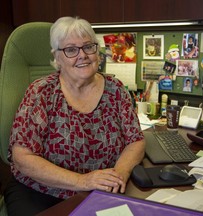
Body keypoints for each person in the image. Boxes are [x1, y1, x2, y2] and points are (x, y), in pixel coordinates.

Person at [4, 16, 145, 215]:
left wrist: (120, 173)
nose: (83, 55)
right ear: (57, 57)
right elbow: (22, 158)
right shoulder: (41, 93)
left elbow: (136, 140)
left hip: (103, 189)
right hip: (42, 192)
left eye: (88, 47)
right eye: (71, 50)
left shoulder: (116, 89)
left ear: (97, 51)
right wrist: (82, 181)